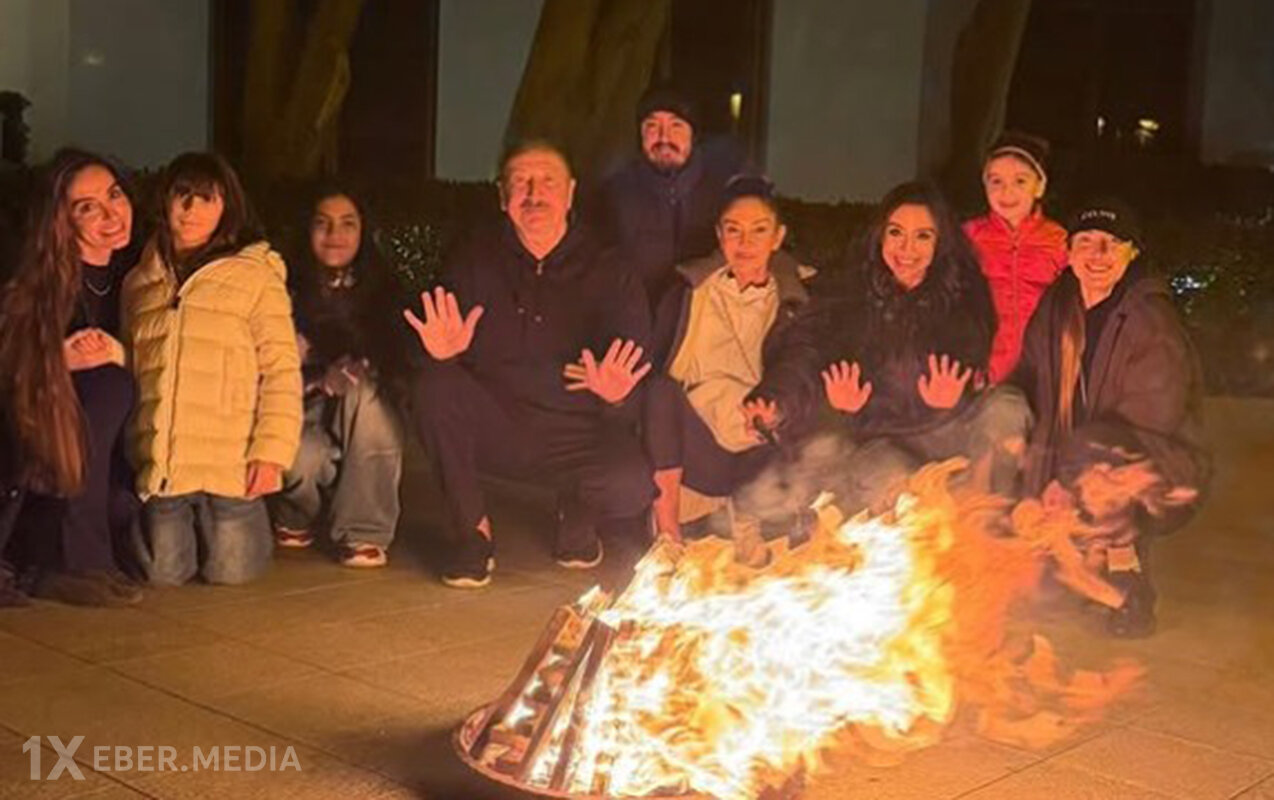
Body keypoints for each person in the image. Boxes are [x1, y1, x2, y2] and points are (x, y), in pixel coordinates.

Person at [408, 140, 654, 589]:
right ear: (503, 197)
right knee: (434, 385)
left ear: (570, 193)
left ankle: (576, 513)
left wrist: (617, 395)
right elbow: (432, 334)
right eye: (521, 182)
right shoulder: (475, 258)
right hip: (497, 422)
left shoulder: (611, 269)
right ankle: (472, 534)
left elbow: (635, 371)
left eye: (547, 182)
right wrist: (441, 353)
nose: (534, 194)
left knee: (631, 484)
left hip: (574, 431)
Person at [1013, 198, 1211, 638]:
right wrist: (1035, 489)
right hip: (1075, 466)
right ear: (1068, 252)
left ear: (1132, 252)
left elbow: (1145, 426)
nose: (1097, 256)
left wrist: (1068, 487)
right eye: (1085, 242)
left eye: (1111, 244)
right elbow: (1040, 404)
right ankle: (1088, 559)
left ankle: (1129, 582)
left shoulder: (1150, 321)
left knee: (1093, 452)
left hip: (1160, 469)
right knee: (1044, 593)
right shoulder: (1056, 309)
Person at [122, 152, 301, 586]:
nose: (192, 210)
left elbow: (280, 369)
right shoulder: (141, 281)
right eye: (182, 196)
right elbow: (132, 369)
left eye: (207, 198)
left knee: (231, 572)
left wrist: (270, 454)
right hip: (166, 465)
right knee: (163, 573)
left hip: (230, 461)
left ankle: (241, 521)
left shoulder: (255, 277)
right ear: (164, 201)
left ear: (227, 206)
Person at [814, 181, 1032, 514]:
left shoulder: (962, 290)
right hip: (887, 442)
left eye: (923, 236)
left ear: (940, 243)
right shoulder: (849, 296)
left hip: (954, 429)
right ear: (880, 237)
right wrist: (841, 407)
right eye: (896, 233)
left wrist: (952, 397)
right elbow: (819, 370)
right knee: (894, 488)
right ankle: (923, 537)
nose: (907, 249)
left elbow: (970, 346)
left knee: (1007, 407)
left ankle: (985, 518)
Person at [644, 175, 820, 563]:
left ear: (777, 237)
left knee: (800, 428)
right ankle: (668, 527)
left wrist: (773, 402)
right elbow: (655, 359)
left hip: (757, 439)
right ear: (719, 235)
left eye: (759, 230)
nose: (746, 243)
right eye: (734, 230)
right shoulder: (690, 290)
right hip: (696, 443)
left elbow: (801, 360)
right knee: (659, 392)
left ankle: (749, 524)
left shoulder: (796, 298)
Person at [0, 149, 143, 606]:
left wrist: (121, 353)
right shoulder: (37, 279)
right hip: (41, 428)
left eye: (115, 195)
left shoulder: (141, 271)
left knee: (111, 385)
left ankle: (77, 559)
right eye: (88, 207)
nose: (111, 213)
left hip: (114, 447)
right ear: (62, 220)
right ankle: (69, 561)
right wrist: (54, 359)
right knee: (104, 386)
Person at [270, 184, 408, 568]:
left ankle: (363, 530)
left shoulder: (384, 290)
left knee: (367, 394)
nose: (335, 235)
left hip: (361, 409)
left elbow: (399, 358)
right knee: (302, 457)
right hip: (302, 403)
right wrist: (317, 379)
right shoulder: (281, 287)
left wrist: (362, 368)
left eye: (348, 224)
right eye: (323, 224)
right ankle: (297, 513)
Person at [593, 83, 745, 308]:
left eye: (676, 125)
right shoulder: (613, 196)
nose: (664, 138)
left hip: (707, 323)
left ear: (694, 134)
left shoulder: (726, 192)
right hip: (636, 326)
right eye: (652, 126)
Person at [964, 133, 1068, 383]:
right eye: (996, 181)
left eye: (1020, 181)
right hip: (982, 369)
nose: (1006, 191)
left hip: (1042, 370)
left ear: (1039, 186)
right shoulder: (969, 236)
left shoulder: (1059, 240)